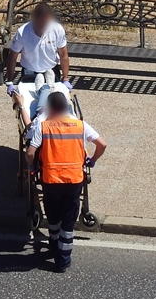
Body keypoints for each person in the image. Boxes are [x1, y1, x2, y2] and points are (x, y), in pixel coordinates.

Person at [25, 91, 107, 272]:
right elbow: (102, 144)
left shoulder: (44, 127)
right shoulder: (80, 125)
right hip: (73, 180)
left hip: (51, 179)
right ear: (67, 107)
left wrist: (32, 168)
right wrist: (92, 160)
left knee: (53, 216)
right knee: (68, 222)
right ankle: (62, 260)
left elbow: (30, 153)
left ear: (51, 108)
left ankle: (53, 245)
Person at [5, 2, 71, 121]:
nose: (42, 25)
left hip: (51, 70)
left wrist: (65, 78)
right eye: (39, 22)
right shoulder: (22, 32)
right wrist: (10, 81)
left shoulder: (57, 29)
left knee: (54, 98)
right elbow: (13, 56)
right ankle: (40, 110)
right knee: (36, 99)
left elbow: (64, 55)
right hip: (30, 71)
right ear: (34, 18)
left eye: (45, 22)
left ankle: (47, 92)